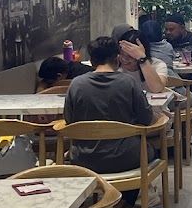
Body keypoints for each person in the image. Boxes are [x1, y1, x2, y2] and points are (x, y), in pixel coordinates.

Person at [63, 37, 155, 178]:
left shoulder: (76, 84)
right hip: (126, 157)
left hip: (84, 159)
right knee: (152, 149)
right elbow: (146, 118)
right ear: (117, 58)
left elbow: (70, 120)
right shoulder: (128, 82)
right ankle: (132, 196)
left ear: (92, 61)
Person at [112, 25, 168, 93]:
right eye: (121, 54)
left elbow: (157, 89)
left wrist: (142, 59)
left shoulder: (157, 65)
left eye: (130, 55)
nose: (124, 59)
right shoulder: (114, 66)